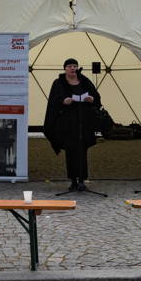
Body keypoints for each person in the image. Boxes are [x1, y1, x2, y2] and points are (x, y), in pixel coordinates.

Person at [42, 58, 101, 192]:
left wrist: (92, 99)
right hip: (68, 124)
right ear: (65, 68)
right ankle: (73, 180)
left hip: (83, 122)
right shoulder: (58, 83)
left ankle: (82, 180)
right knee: (71, 152)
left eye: (75, 66)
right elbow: (53, 101)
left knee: (82, 151)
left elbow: (96, 97)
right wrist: (63, 101)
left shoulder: (84, 81)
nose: (73, 68)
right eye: (70, 66)